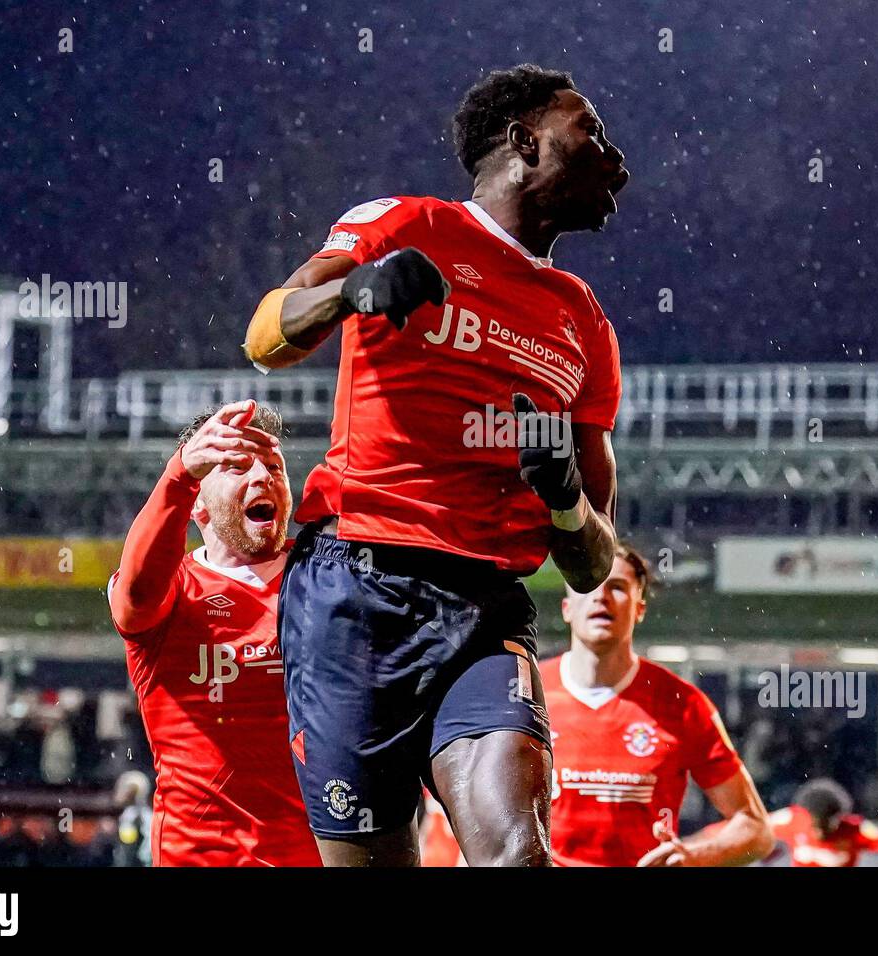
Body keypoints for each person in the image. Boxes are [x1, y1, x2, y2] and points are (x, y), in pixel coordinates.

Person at [243, 64, 629, 866]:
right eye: (589, 132)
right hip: (355, 590)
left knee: (517, 858)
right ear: (525, 142)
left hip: (486, 609)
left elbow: (593, 564)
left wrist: (562, 499)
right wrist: (353, 294)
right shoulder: (404, 223)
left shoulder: (584, 322)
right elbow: (266, 340)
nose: (616, 160)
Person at [108, 400, 320, 866]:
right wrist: (178, 474)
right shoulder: (174, 590)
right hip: (201, 857)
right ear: (197, 503)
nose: (261, 476)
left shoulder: (326, 577)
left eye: (272, 465)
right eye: (237, 466)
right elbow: (135, 597)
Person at [541, 543, 773, 866]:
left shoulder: (683, 703)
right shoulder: (529, 697)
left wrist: (694, 856)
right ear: (566, 608)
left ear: (640, 608)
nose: (600, 597)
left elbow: (757, 829)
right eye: (587, 587)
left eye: (618, 587)